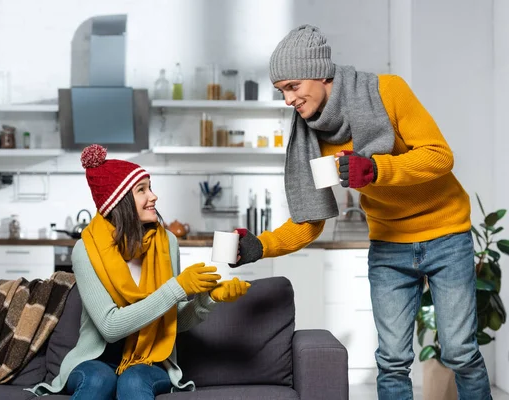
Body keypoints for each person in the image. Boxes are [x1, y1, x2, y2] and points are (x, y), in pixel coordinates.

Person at [233, 25, 491, 399]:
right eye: (281, 91)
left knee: (460, 352)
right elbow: (310, 223)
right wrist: (261, 246)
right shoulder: (313, 136)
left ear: (321, 72)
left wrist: (375, 169)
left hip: (445, 234)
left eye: (293, 86)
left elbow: (440, 156)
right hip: (389, 246)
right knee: (391, 359)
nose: (288, 99)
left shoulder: (388, 91)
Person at [30, 144, 250, 399]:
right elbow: (109, 326)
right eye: (142, 190)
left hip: (151, 360)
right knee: (98, 380)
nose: (153, 196)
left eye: (150, 187)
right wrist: (178, 288)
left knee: (133, 380)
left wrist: (208, 300)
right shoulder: (86, 249)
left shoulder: (166, 243)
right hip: (95, 360)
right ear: (120, 201)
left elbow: (172, 321)